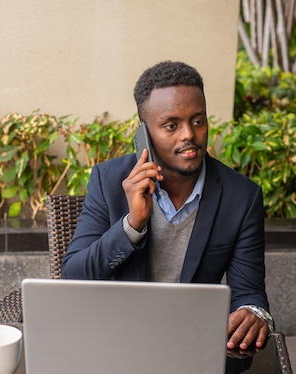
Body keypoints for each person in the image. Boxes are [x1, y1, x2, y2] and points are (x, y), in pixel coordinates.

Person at [61, 61, 273, 350]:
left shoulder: (242, 197)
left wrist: (254, 314)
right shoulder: (109, 181)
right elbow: (74, 275)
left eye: (198, 121)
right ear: (144, 133)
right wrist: (132, 225)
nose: (189, 134)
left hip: (192, 343)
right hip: (115, 338)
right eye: (171, 125)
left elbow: (249, 292)